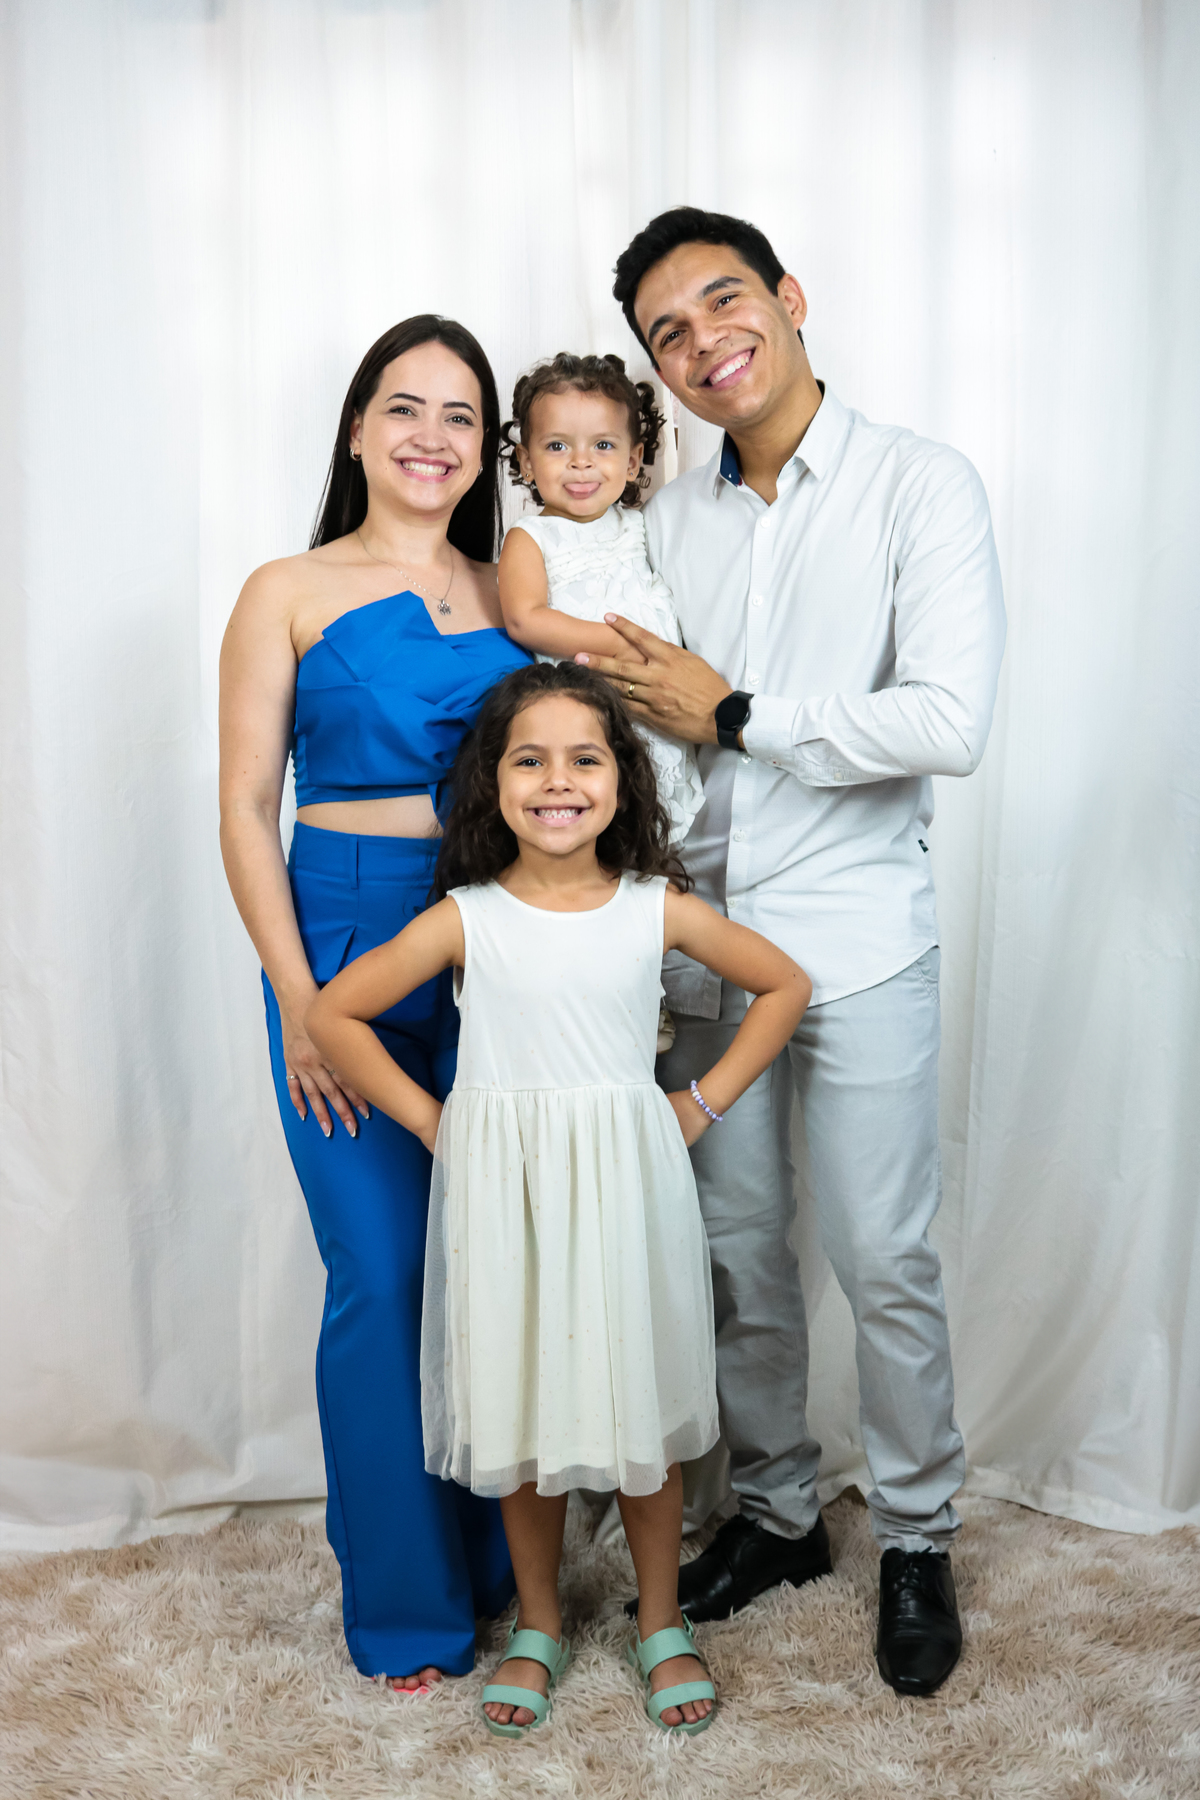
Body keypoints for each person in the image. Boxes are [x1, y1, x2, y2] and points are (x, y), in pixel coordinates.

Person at [576, 207, 1006, 1697]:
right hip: (705, 946)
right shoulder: (664, 523)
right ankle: (776, 1517)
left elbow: (948, 719)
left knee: (883, 1255)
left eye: (724, 301)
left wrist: (743, 714)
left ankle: (917, 1535)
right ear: (659, 371)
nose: (704, 342)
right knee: (739, 1254)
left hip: (861, 934)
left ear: (790, 297)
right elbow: (637, 719)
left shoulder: (919, 485)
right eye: (669, 333)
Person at [305, 660, 812, 1738]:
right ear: (492, 783)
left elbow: (785, 985)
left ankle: (661, 1621)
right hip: (509, 1199)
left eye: (584, 759)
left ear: (622, 781)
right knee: (521, 1408)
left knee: (640, 1413)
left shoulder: (654, 909)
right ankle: (539, 1623)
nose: (557, 782)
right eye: (529, 761)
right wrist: (436, 1122)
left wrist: (700, 1104)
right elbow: (335, 1014)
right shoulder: (466, 917)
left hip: (624, 1191)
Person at [218, 315, 530, 1689]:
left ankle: (498, 1569)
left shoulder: (517, 591)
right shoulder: (285, 587)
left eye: (460, 415)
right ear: (357, 429)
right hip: (340, 942)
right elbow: (244, 807)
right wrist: (299, 1000)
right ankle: (406, 1612)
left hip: (498, 941)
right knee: (385, 1269)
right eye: (404, 407)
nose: (430, 437)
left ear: (486, 448)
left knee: (492, 1264)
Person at [497, 352, 705, 848]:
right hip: (590, 713)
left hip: (660, 705)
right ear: (526, 461)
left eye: (603, 445)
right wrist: (620, 645)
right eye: (557, 446)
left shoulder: (639, 526)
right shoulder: (530, 537)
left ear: (633, 461)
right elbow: (525, 619)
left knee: (665, 826)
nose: (581, 461)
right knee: (606, 829)